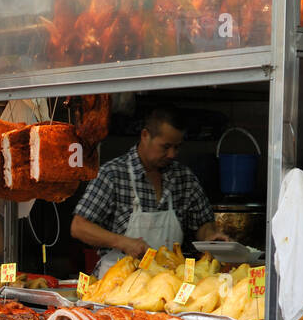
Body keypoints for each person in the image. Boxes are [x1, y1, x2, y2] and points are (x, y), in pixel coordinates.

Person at [70, 106, 231, 276]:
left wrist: (210, 237)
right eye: (165, 147)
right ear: (145, 136)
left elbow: (202, 224)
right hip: (118, 284)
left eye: (177, 147)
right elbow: (79, 227)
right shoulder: (113, 175)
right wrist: (122, 242)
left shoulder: (184, 178)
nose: (172, 154)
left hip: (168, 283)